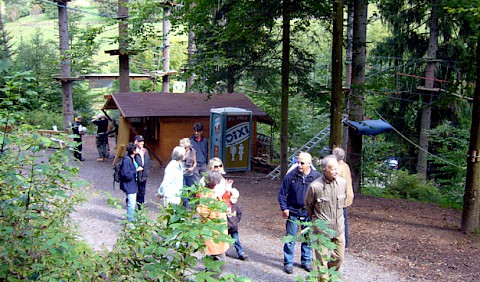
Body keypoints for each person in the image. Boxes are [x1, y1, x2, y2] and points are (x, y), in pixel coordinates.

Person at [277, 152, 321, 274]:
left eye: (302, 163)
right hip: (293, 212)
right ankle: (288, 262)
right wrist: (284, 208)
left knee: (308, 238)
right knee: (290, 239)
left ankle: (306, 261)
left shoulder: (316, 177)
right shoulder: (290, 176)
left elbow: (322, 195)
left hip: (309, 213)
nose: (299, 165)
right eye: (298, 162)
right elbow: (281, 194)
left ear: (309, 164)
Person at [305, 155, 347, 278]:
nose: (336, 171)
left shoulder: (342, 183)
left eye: (337, 168)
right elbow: (309, 206)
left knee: (339, 258)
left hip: (339, 229)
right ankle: (323, 279)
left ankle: (331, 277)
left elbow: (344, 203)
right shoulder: (315, 186)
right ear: (325, 170)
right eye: (333, 169)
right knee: (321, 264)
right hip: (322, 231)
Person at [196, 170, 230, 278]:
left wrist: (226, 194)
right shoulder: (207, 195)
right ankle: (212, 279)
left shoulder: (212, 193)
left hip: (217, 232)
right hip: (212, 232)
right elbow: (203, 212)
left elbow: (223, 204)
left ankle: (208, 278)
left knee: (211, 259)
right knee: (220, 260)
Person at [332, 147, 354, 248]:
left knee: (339, 220)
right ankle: (343, 242)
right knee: (342, 219)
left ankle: (341, 242)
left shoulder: (338, 168)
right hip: (346, 196)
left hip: (340, 198)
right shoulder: (346, 166)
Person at [120, 142, 143, 221]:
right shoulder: (127, 160)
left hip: (133, 183)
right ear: (133, 151)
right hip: (129, 184)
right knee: (131, 204)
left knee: (132, 202)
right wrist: (136, 170)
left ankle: (131, 218)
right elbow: (126, 174)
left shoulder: (133, 158)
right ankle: (130, 221)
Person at [226, 188, 248, 260]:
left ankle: (240, 253)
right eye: (233, 198)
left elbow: (239, 214)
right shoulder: (225, 206)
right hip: (225, 227)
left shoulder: (236, 207)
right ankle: (222, 252)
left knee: (236, 240)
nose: (235, 200)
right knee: (223, 240)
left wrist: (236, 221)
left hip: (233, 227)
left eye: (236, 198)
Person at [133, 135, 151, 210]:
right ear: (136, 142)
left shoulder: (145, 151)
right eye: (140, 141)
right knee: (134, 189)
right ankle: (131, 203)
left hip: (144, 174)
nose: (142, 143)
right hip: (136, 174)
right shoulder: (133, 151)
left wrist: (147, 172)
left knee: (142, 190)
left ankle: (141, 205)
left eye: (142, 141)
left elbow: (148, 161)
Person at [180, 138, 197, 209]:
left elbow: (195, 162)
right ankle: (184, 207)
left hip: (190, 174)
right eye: (185, 147)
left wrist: (192, 168)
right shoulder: (180, 152)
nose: (186, 149)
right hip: (182, 174)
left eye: (187, 147)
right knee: (183, 190)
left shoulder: (192, 151)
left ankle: (192, 206)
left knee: (191, 190)